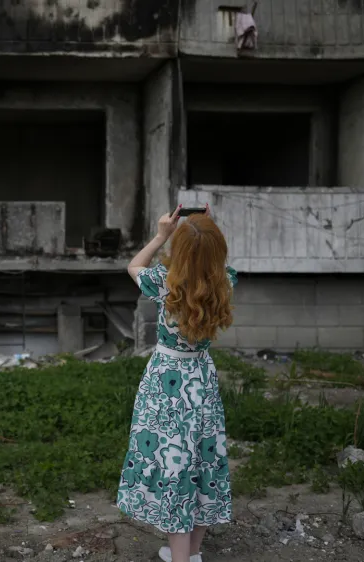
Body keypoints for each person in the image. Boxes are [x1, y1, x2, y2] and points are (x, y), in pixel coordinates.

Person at [116, 204, 238, 562]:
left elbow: (133, 265)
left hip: (166, 384)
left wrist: (161, 234)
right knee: (202, 463)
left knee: (174, 469)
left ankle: (181, 557)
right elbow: (213, 258)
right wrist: (207, 229)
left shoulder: (164, 283)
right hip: (201, 378)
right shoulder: (225, 281)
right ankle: (192, 553)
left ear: (179, 251)